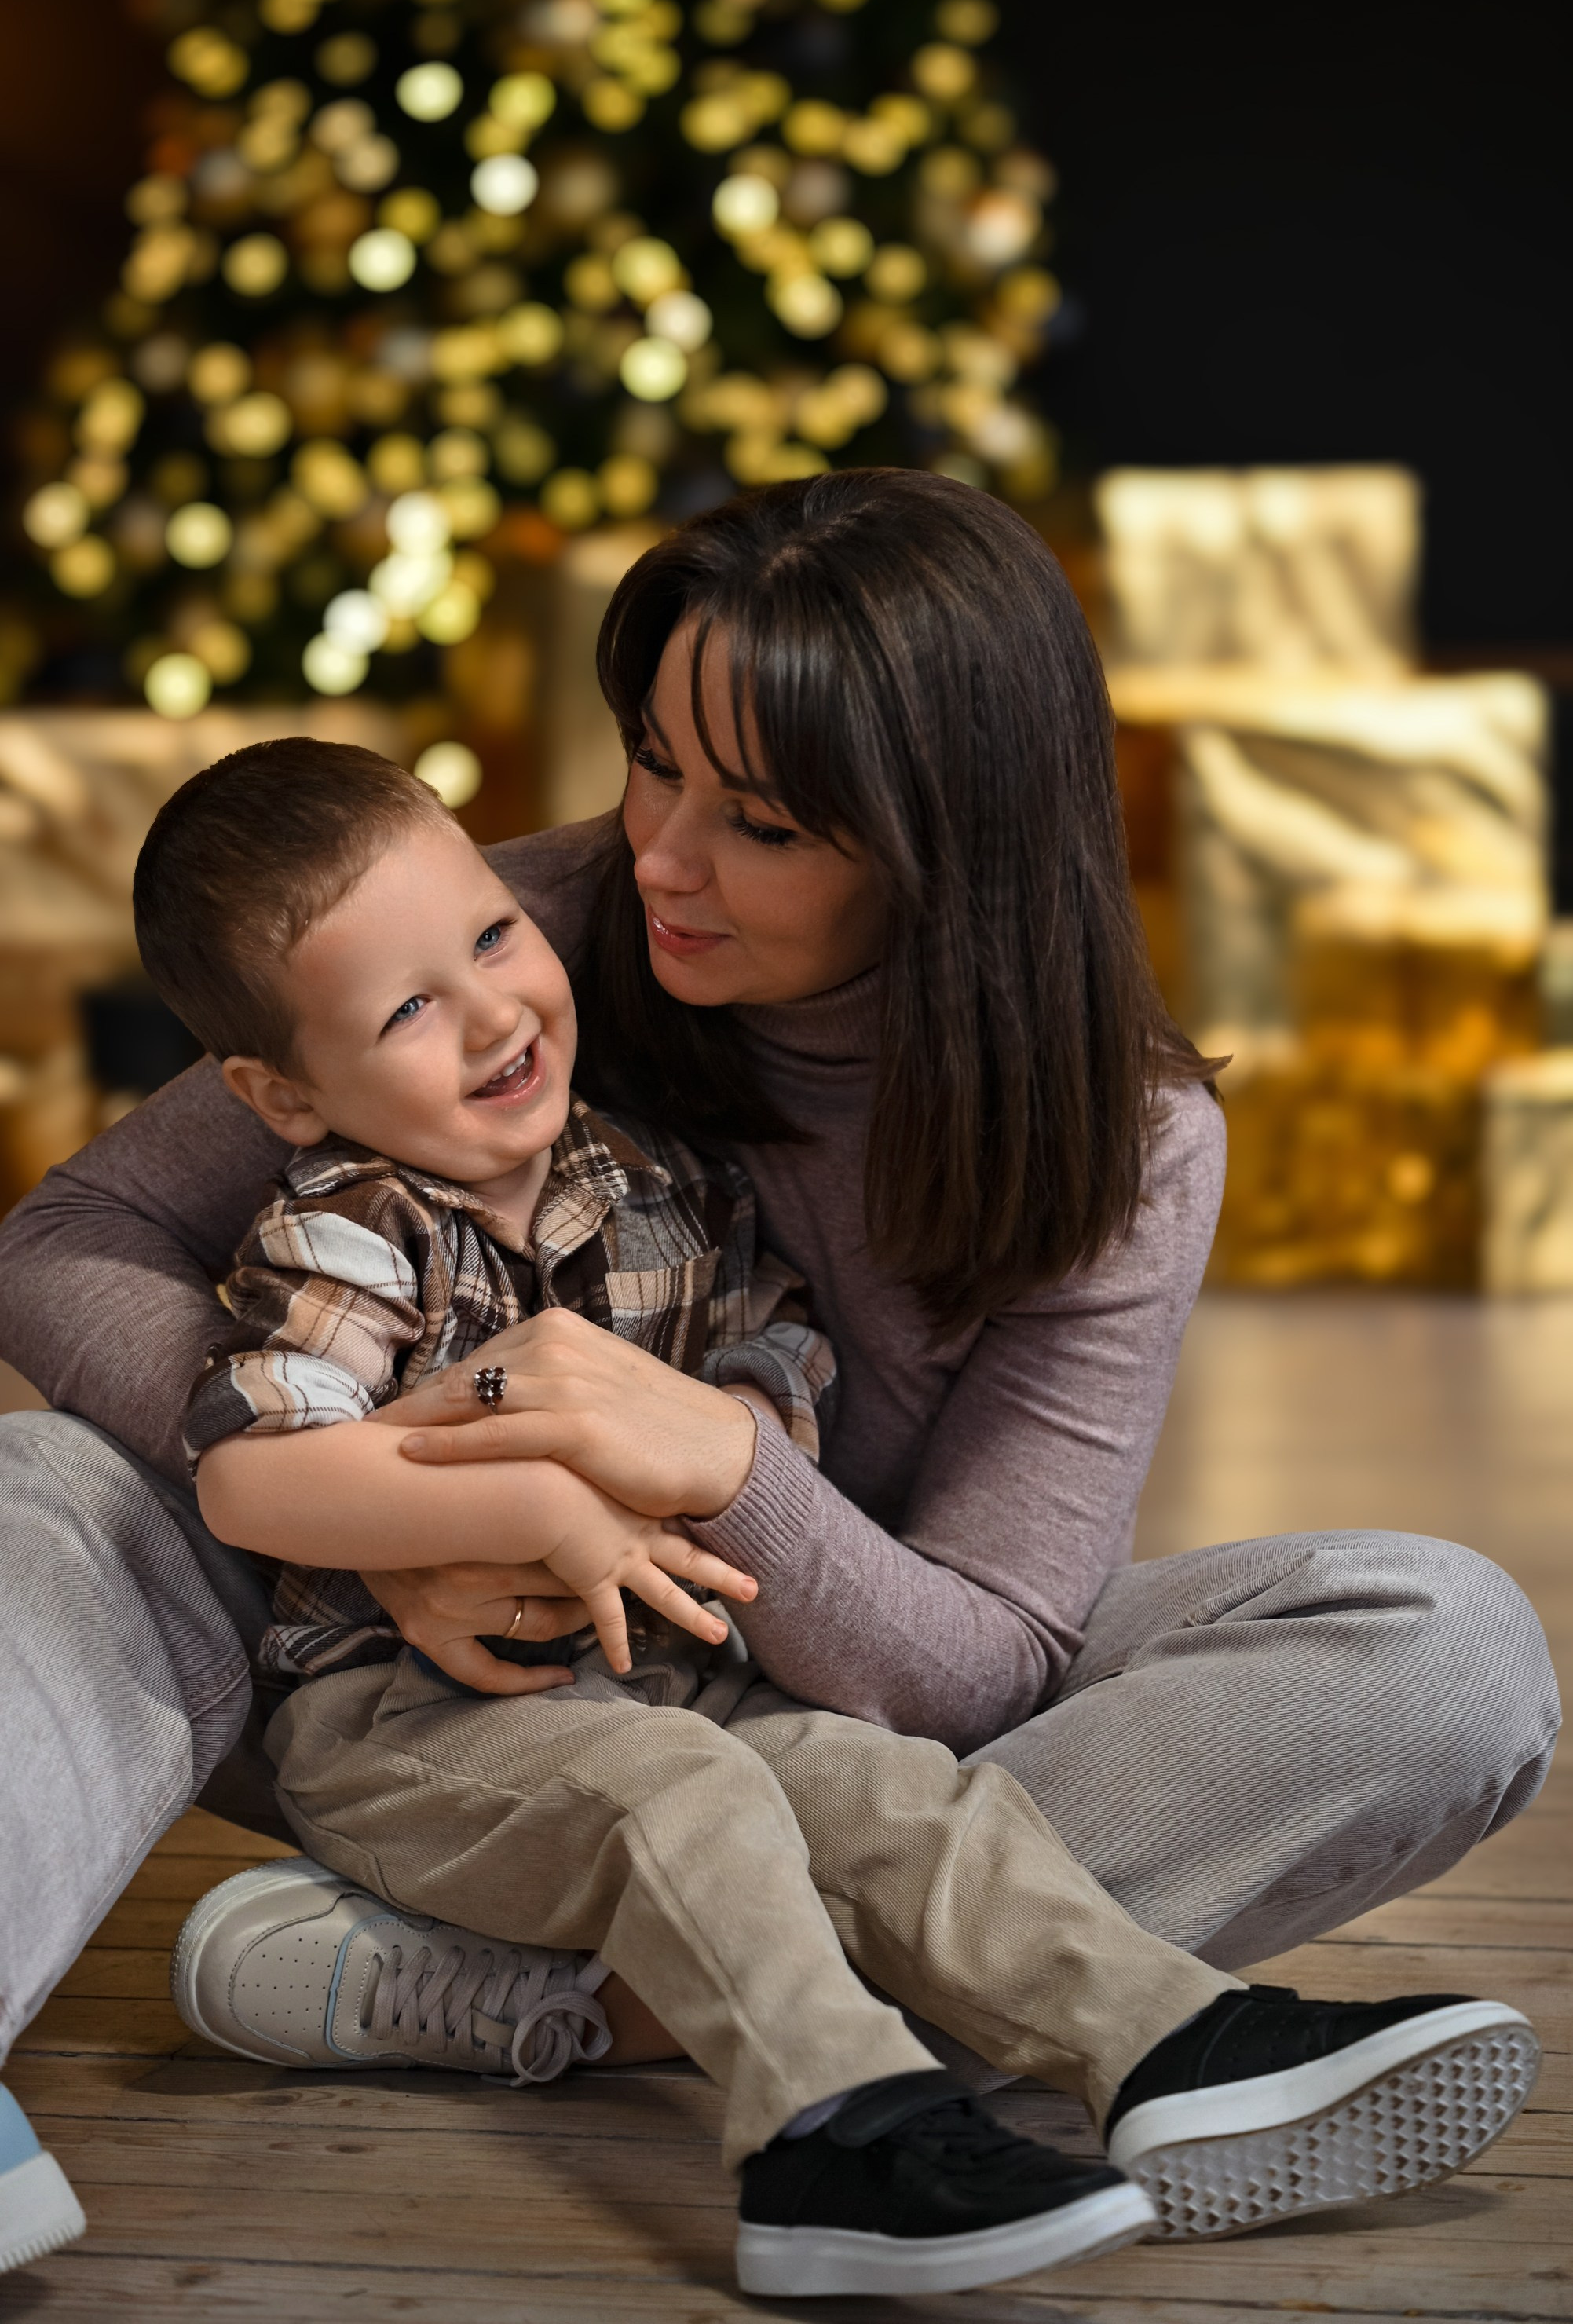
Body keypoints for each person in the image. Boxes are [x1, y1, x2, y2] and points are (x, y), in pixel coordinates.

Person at [0, 473, 1559, 2275]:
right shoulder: (507, 942)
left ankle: (538, 1998)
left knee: (1438, 1648)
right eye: (650, 759)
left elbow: (981, 1661)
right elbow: (62, 1243)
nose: (657, 854)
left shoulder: (1127, 1139)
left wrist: (718, 1459)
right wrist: (397, 1506)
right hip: (387, 1688)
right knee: (46, 1484)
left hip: (786, 1693)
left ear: (943, 840)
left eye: (760, 821)